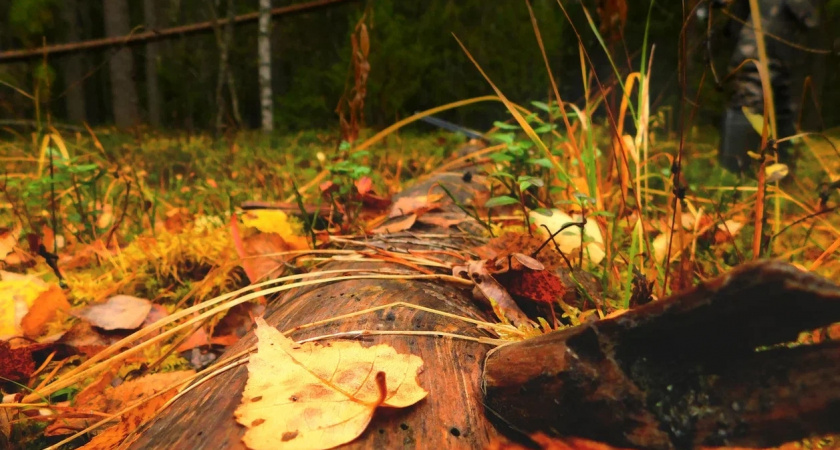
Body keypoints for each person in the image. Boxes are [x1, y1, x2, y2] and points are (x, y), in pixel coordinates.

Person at [717, 0, 820, 173]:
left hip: (787, 46)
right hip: (761, 41)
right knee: (749, 97)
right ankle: (733, 173)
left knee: (783, 108)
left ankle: (778, 175)